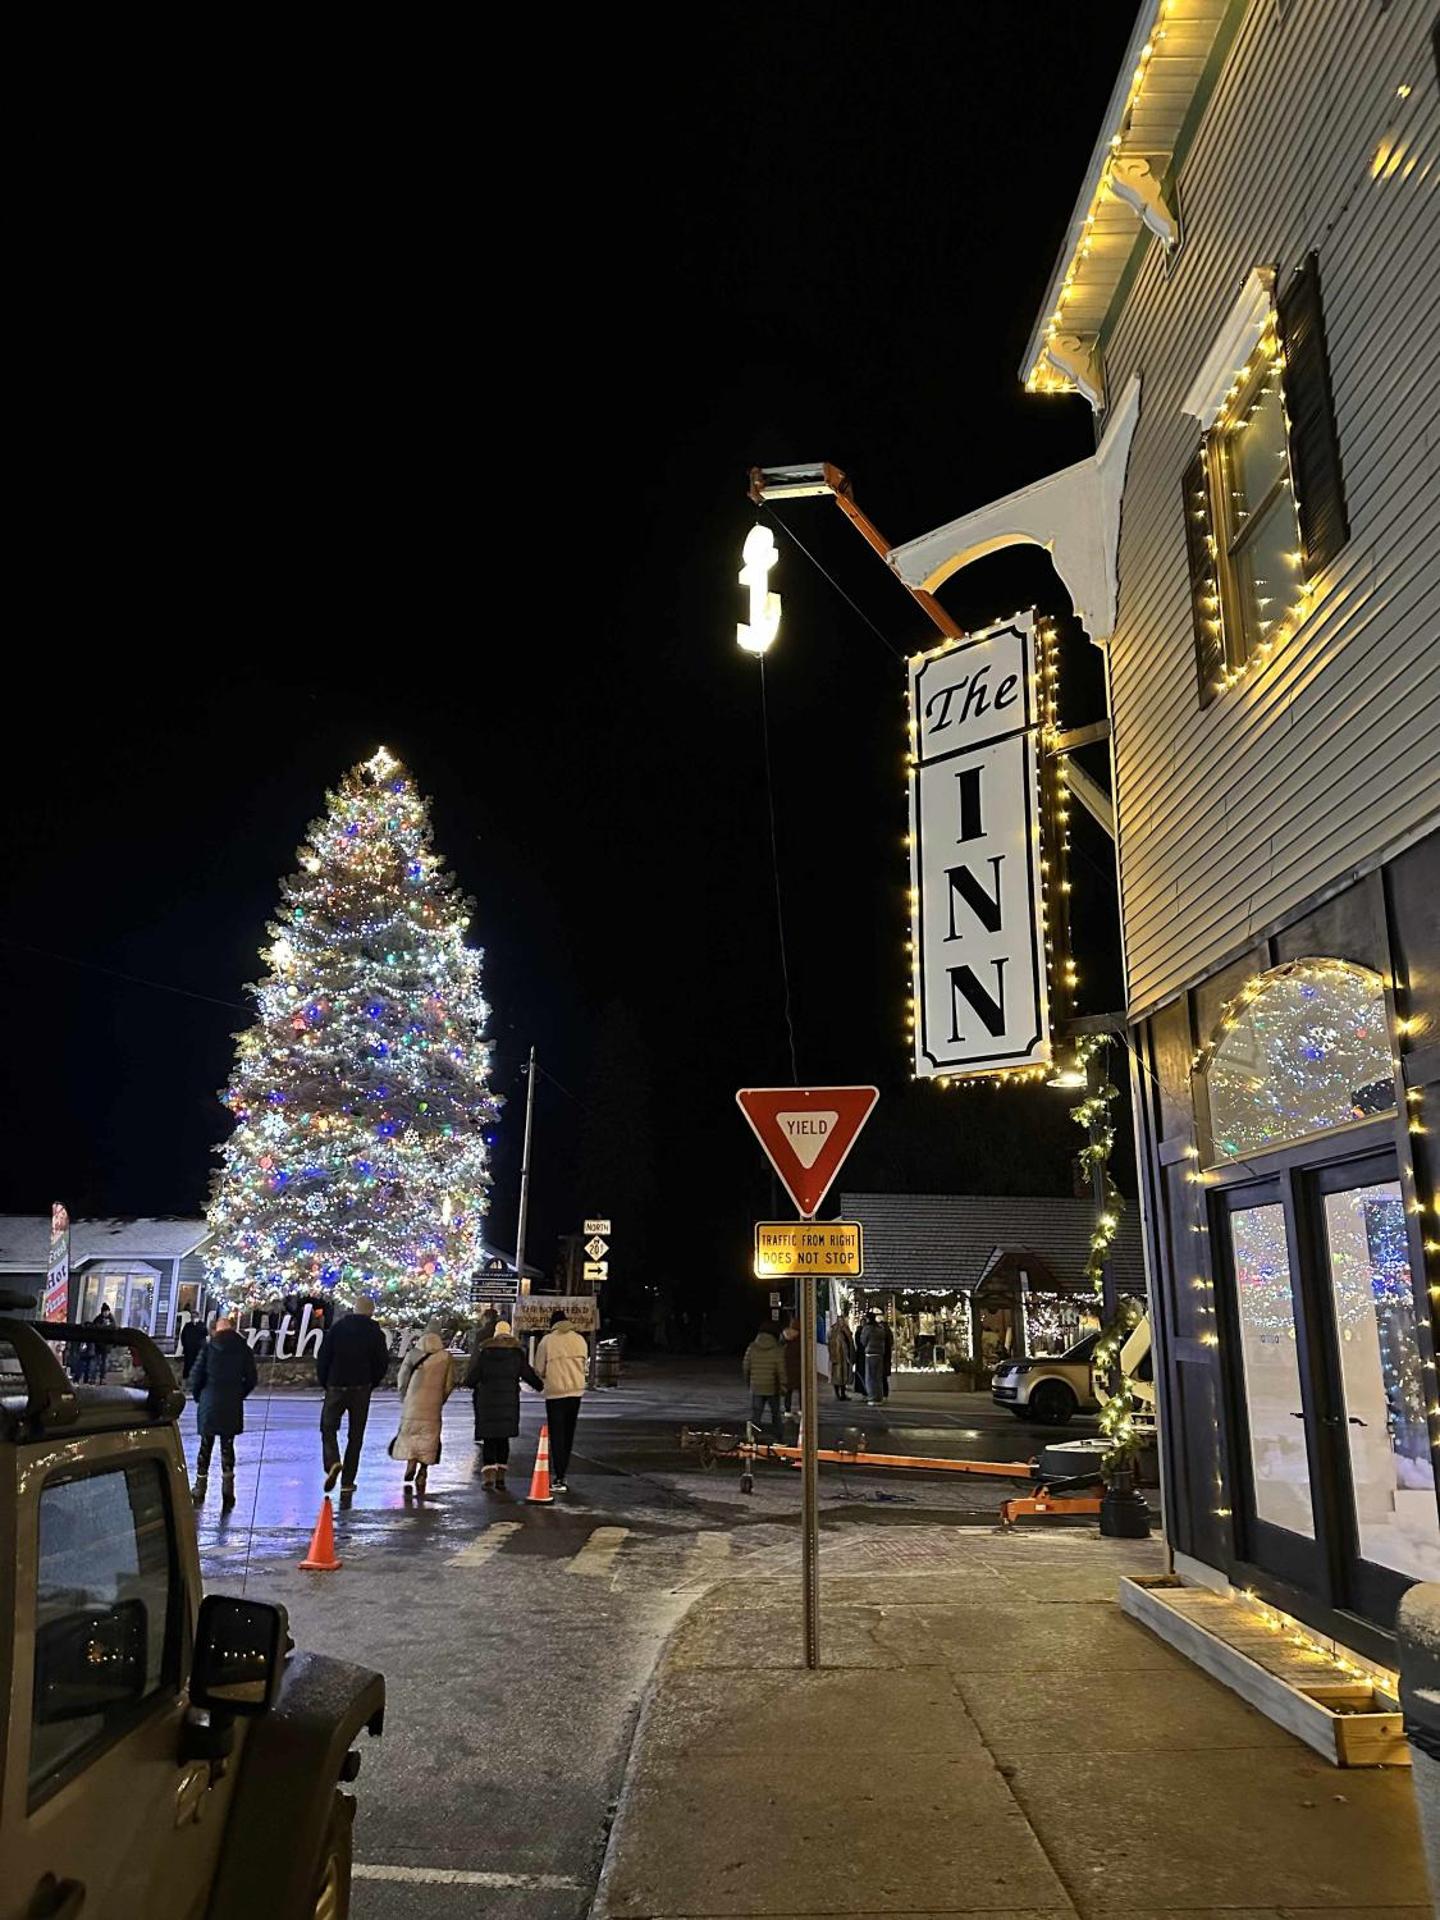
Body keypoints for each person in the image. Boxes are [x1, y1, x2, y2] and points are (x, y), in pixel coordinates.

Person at [316, 1295, 390, 1496]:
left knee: (328, 1427)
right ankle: (348, 1480)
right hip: (361, 1387)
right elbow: (382, 1363)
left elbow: (323, 1357)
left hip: (336, 1384)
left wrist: (326, 1382)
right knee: (355, 1436)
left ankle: (332, 1461)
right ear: (371, 1311)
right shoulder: (375, 1333)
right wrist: (371, 1382)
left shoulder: (338, 1329)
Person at [189, 1314, 258, 1509]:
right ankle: (228, 1490)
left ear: (216, 1330)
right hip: (231, 1402)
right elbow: (251, 1379)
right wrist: (239, 1394)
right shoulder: (244, 1349)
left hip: (209, 1400)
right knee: (227, 1446)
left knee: (205, 1445)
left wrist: (199, 1397)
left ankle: (200, 1487)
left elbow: (196, 1376)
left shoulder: (209, 1348)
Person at [465, 1318, 542, 1490]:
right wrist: (540, 1386)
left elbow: (471, 1379)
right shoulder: (516, 1354)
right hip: (508, 1402)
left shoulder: (485, 1353)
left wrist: (471, 1383)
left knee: (489, 1439)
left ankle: (488, 1475)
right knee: (503, 1439)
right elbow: (528, 1374)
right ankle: (500, 1476)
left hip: (487, 1402)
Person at [394, 1322, 456, 1497]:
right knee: (429, 1438)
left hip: (412, 1403)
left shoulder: (413, 1354)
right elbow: (449, 1384)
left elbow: (402, 1378)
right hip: (433, 1405)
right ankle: (423, 1471)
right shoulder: (445, 1357)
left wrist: (405, 1397)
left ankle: (410, 1463)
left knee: (410, 1434)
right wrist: (440, 1400)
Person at [533, 1308, 589, 1493]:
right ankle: (562, 1473)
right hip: (576, 1392)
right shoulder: (580, 1339)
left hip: (555, 1393)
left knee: (557, 1435)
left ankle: (558, 1476)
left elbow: (539, 1368)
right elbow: (585, 1367)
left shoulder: (548, 1341)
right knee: (569, 1432)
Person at [742, 1317, 786, 1441]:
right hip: (772, 1387)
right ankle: (779, 1437)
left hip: (756, 1386)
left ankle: (753, 1437)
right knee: (775, 1414)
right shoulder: (777, 1349)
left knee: (756, 1414)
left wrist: (749, 1382)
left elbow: (746, 1366)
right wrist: (783, 1386)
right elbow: (781, 1370)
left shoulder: (752, 1347)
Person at [857, 1311, 888, 1406]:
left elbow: (863, 1341)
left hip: (870, 1354)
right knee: (878, 1377)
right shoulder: (880, 1329)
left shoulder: (867, 1329)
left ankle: (872, 1397)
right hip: (879, 1354)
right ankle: (879, 1397)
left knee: (870, 1377)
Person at [827, 1309, 855, 1401]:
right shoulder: (834, 1330)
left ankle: (843, 1394)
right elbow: (831, 1344)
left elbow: (849, 1342)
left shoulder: (846, 1329)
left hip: (845, 1357)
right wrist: (833, 1356)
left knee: (844, 1377)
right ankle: (837, 1394)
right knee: (837, 1376)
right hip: (838, 1357)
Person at [780, 1315, 802, 1418]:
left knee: (788, 1391)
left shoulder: (784, 1337)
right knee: (801, 1390)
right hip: (799, 1368)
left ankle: (787, 1410)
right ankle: (801, 1409)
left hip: (787, 1369)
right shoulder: (800, 1339)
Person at [179, 1310, 207, 1381]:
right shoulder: (187, 1325)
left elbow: (205, 1335)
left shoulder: (202, 1325)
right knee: (188, 1364)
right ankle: (187, 1378)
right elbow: (183, 1336)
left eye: (195, 1316)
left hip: (198, 1349)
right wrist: (184, 1345)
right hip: (189, 1349)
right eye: (192, 1317)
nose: (193, 1318)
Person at [91, 1303, 115, 1382]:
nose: (106, 1313)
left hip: (106, 1345)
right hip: (99, 1344)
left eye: (107, 1311)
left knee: (103, 1362)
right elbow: (94, 1327)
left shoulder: (111, 1319)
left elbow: (114, 1328)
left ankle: (102, 1378)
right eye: (105, 1311)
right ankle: (93, 1378)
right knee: (96, 1362)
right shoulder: (98, 1319)